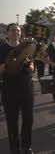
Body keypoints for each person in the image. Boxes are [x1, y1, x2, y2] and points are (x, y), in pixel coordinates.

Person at [0, 23, 35, 154]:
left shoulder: (27, 47)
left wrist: (27, 63)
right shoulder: (2, 48)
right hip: (9, 89)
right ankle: (14, 148)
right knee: (12, 121)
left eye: (18, 30)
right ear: (7, 32)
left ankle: (27, 146)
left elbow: (33, 68)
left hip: (26, 88)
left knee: (28, 119)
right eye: (13, 30)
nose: (16, 32)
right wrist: (8, 63)